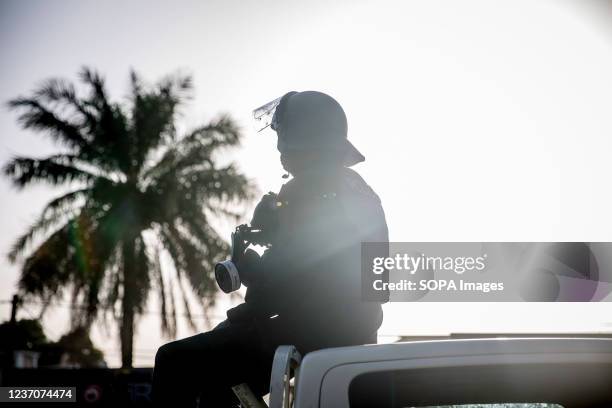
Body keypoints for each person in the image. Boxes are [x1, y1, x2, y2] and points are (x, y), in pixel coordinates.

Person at [152, 91, 389, 407]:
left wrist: (252, 269)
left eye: (285, 135)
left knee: (173, 361)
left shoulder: (312, 189)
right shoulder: (354, 189)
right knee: (217, 386)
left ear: (304, 137)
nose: (280, 147)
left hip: (312, 331)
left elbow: (288, 276)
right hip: (348, 329)